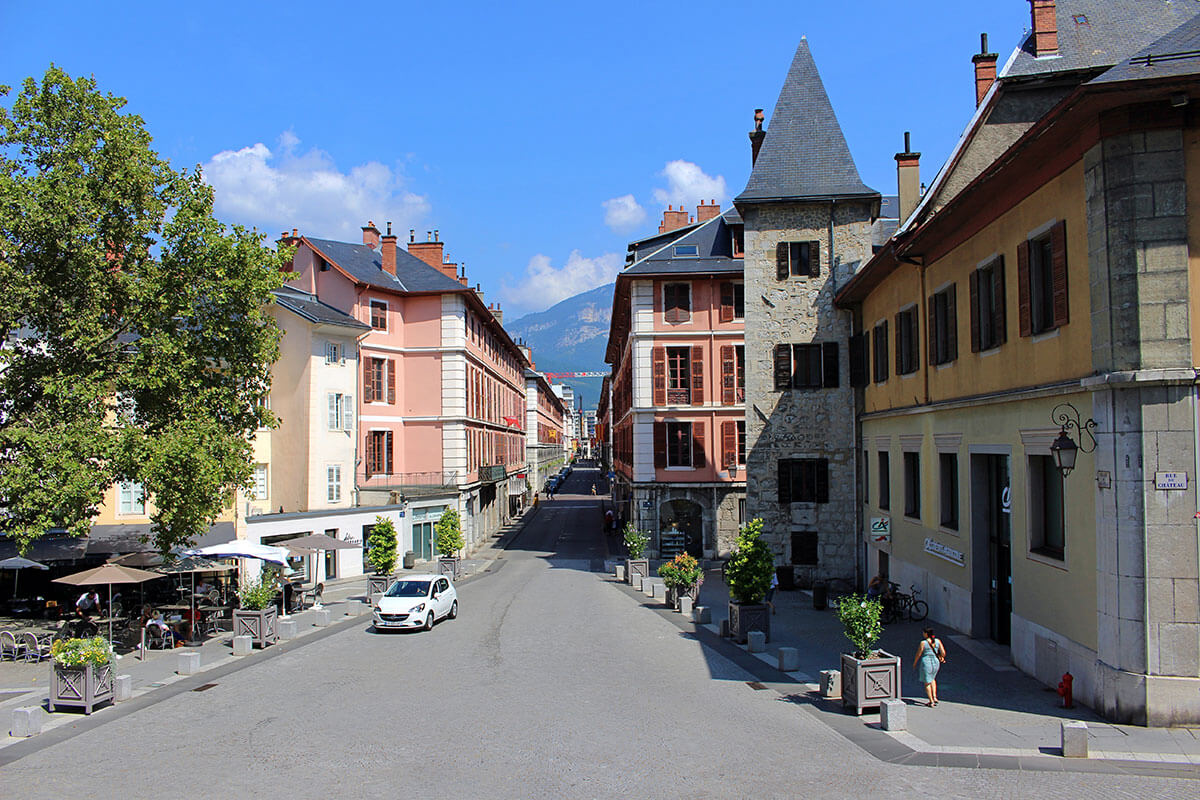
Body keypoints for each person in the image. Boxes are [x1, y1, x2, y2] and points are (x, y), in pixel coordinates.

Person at [912, 627, 947, 707]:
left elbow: (918, 654)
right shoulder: (938, 641)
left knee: (927, 682)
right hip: (936, 662)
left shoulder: (923, 643)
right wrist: (941, 657)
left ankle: (931, 701)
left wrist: (915, 663)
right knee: (933, 679)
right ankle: (934, 697)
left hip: (926, 663)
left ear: (926, 634)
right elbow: (943, 653)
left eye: (923, 632)